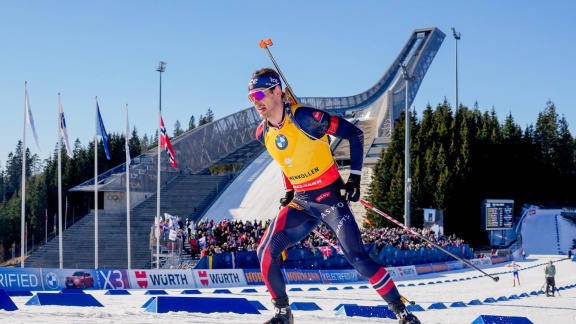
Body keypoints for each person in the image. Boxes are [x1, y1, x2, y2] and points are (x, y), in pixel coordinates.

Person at [249, 68, 419, 324]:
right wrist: (288, 191)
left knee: (358, 258)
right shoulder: (263, 133)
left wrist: (355, 177)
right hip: (302, 201)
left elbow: (355, 133)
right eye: (251, 97)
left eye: (260, 93)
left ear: (277, 92)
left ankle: (403, 313)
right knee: (265, 252)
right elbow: (286, 161)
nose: (256, 101)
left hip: (329, 198)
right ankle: (283, 314)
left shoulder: (305, 118)